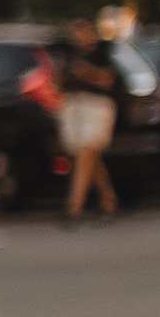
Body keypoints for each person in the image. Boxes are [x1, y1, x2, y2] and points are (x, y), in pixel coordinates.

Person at [55, 16, 120, 221]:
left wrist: (85, 72)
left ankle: (73, 207)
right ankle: (108, 198)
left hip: (98, 106)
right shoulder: (68, 55)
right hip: (74, 106)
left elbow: (108, 82)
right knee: (86, 157)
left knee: (87, 152)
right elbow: (58, 84)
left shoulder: (103, 53)